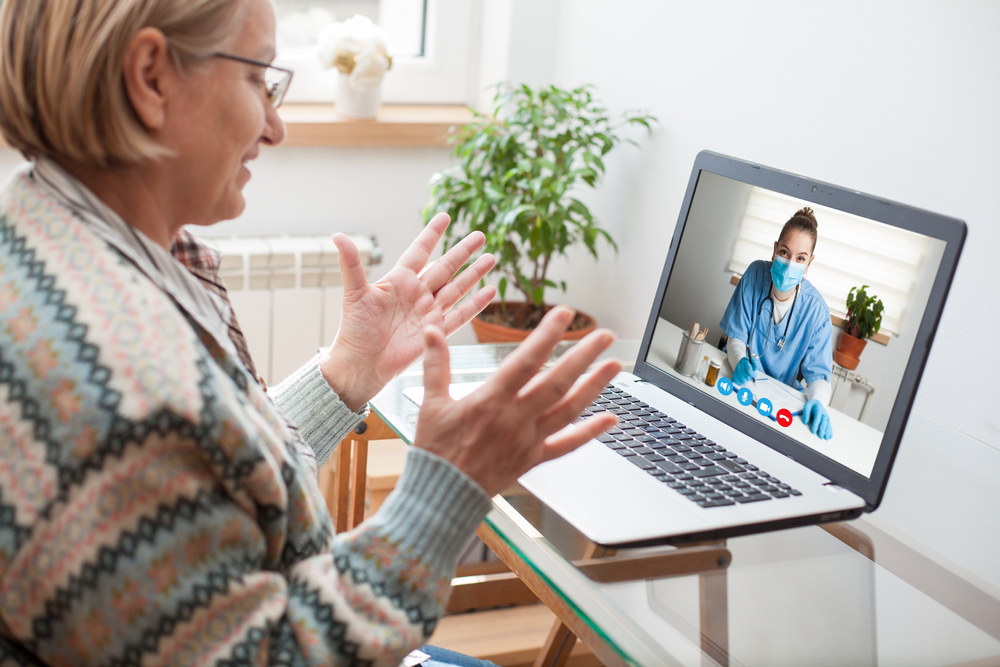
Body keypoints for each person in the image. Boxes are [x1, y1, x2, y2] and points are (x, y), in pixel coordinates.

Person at [0, 1, 622, 665]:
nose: (276, 126)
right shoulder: (116, 386)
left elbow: (205, 480)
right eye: (258, 79)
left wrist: (348, 372)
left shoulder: (49, 225)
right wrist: (447, 486)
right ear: (150, 76)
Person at [719, 207, 834, 439]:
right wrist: (739, 360)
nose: (790, 263)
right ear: (774, 250)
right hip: (738, 386)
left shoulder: (817, 313)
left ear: (809, 263)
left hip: (776, 405)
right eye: (784, 252)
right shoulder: (754, 275)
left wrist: (819, 402)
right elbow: (736, 337)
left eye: (800, 258)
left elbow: (818, 378)